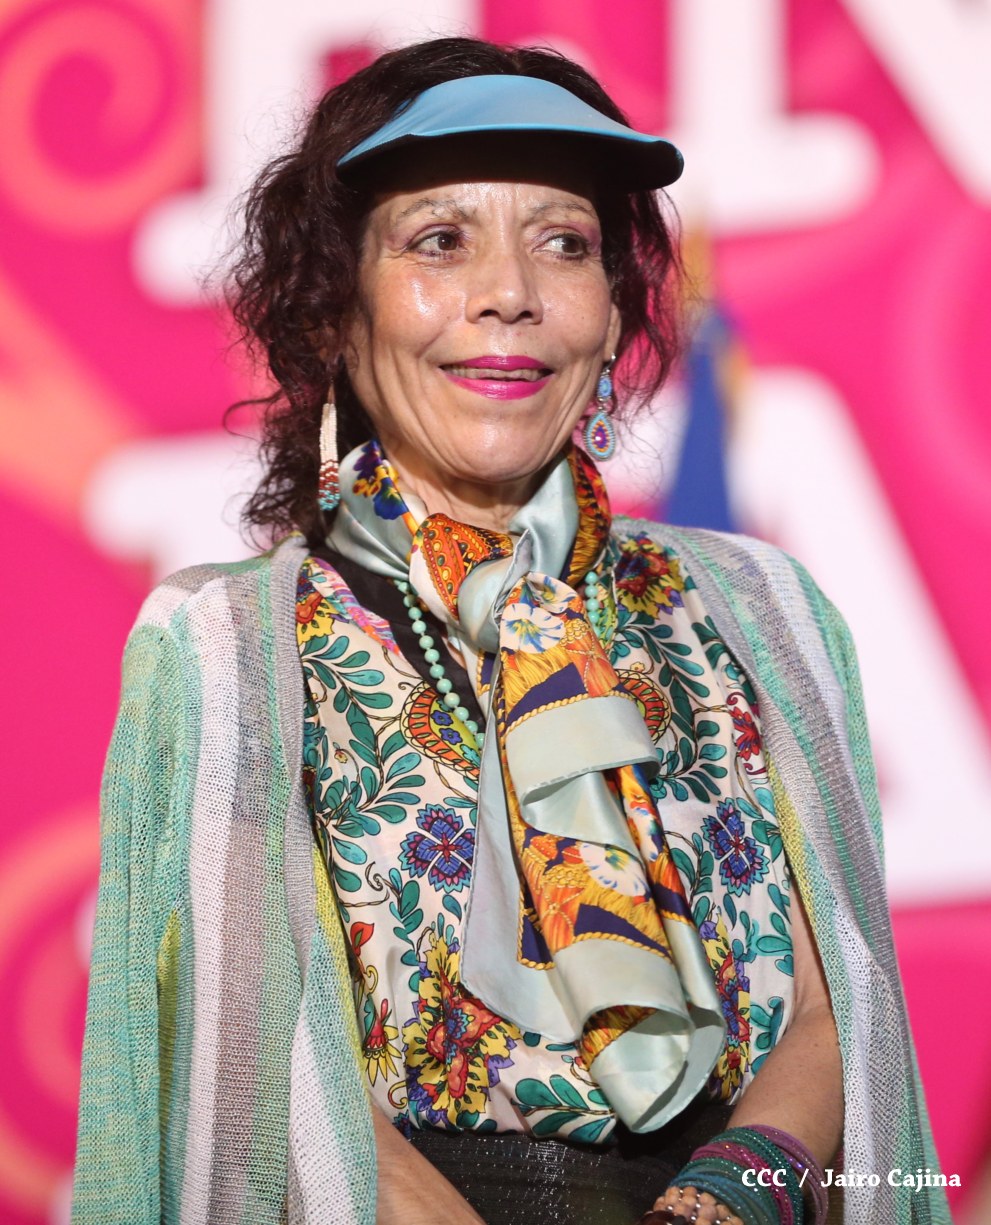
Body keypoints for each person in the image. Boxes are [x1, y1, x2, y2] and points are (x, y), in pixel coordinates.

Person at [71, 36, 949, 1225]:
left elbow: (838, 995)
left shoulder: (757, 612)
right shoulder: (234, 647)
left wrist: (727, 1196)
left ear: (615, 310)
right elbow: (253, 1058)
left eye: (564, 243)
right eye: (439, 240)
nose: (510, 293)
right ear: (334, 311)